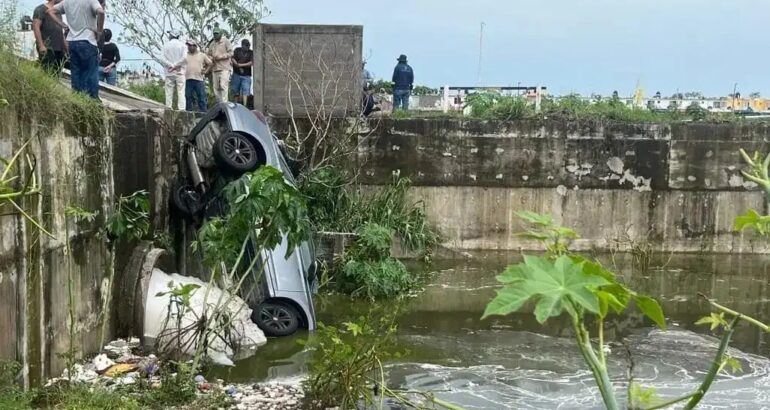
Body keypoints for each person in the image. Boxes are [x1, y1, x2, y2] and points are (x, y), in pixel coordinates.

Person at [48, 0, 105, 99]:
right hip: (88, 41)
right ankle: (93, 100)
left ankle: (78, 99)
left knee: (76, 73)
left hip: (72, 42)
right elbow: (101, 12)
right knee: (90, 72)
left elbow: (50, 11)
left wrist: (64, 25)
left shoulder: (66, 2)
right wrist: (99, 31)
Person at [32, 0, 66, 73]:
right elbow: (36, 26)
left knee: (57, 72)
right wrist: (41, 45)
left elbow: (60, 30)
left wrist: (65, 46)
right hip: (48, 47)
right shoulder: (40, 9)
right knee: (47, 72)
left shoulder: (57, 12)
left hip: (59, 49)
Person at [160, 30, 186, 109]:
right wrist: (176, 65)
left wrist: (171, 65)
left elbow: (162, 58)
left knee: (168, 91)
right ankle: (181, 109)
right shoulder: (183, 46)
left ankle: (168, 107)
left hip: (169, 71)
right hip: (179, 71)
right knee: (181, 91)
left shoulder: (165, 45)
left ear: (171, 36)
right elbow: (184, 58)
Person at [185, 40, 211, 112]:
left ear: (195, 46)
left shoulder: (202, 55)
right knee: (188, 97)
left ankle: (203, 113)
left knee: (201, 97)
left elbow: (210, 63)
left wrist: (206, 71)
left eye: (191, 45)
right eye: (189, 46)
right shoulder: (185, 55)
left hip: (199, 79)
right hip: (187, 79)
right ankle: (189, 113)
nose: (190, 47)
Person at [207, 28, 233, 103]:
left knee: (223, 86)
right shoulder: (212, 43)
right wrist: (211, 58)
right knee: (216, 88)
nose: (215, 35)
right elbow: (208, 55)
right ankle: (219, 104)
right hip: (215, 68)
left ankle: (225, 104)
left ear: (221, 33)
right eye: (214, 33)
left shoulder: (226, 41)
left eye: (217, 33)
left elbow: (231, 53)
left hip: (224, 68)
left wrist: (221, 56)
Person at [230, 39, 253, 106]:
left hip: (246, 74)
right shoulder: (237, 50)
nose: (247, 47)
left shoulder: (251, 52)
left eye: (248, 45)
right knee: (235, 90)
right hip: (236, 73)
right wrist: (237, 65)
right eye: (246, 46)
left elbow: (251, 62)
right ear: (242, 45)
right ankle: (235, 105)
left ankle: (245, 105)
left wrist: (241, 65)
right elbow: (233, 58)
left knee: (246, 91)